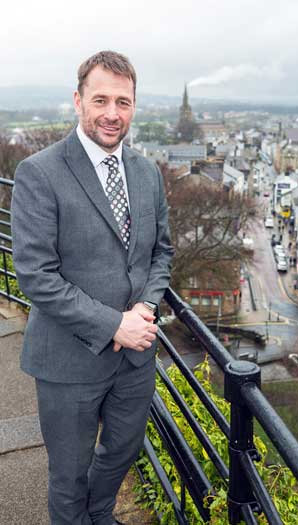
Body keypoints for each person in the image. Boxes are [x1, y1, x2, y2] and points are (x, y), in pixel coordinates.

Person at [11, 50, 174, 525]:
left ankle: (100, 514)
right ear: (77, 100)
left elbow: (161, 252)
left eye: (122, 102)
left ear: (134, 106)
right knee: (68, 474)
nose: (111, 113)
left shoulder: (147, 173)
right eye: (100, 99)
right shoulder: (39, 173)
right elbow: (36, 276)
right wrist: (113, 325)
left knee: (123, 450)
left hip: (136, 358)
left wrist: (145, 305)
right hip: (68, 360)